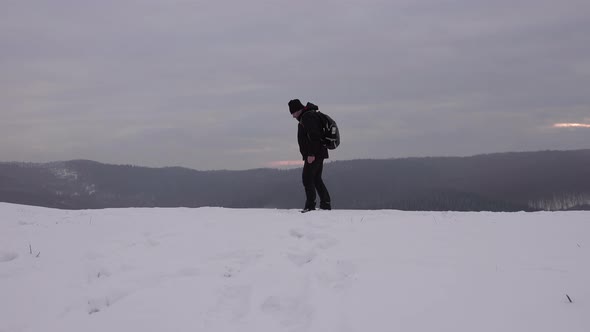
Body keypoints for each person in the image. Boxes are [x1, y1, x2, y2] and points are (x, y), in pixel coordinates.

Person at [288, 99, 331, 212]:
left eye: (293, 113)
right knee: (316, 179)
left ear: (298, 109)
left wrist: (311, 154)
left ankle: (310, 206)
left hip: (314, 154)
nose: (293, 116)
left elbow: (314, 136)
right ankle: (325, 204)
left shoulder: (307, 117)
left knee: (307, 178)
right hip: (319, 152)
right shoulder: (308, 115)